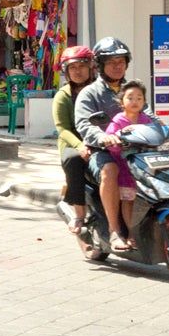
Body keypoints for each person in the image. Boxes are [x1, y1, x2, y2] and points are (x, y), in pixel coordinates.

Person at [74, 36, 134, 251]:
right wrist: (102, 137)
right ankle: (114, 230)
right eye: (111, 62)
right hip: (103, 152)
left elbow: (148, 115)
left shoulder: (132, 90)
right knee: (110, 170)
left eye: (121, 62)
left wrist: (167, 128)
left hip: (133, 150)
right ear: (100, 66)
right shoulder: (89, 93)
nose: (118, 67)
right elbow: (83, 124)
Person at [104, 80, 155, 242]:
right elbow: (110, 137)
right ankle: (131, 233)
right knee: (129, 200)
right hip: (126, 167)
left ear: (144, 102)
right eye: (130, 98)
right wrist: (114, 137)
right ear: (122, 102)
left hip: (145, 166)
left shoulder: (146, 119)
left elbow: (158, 131)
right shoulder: (118, 120)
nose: (135, 102)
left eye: (139, 98)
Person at [53, 45, 96, 233]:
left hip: (100, 139)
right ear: (67, 71)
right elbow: (62, 128)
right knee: (73, 160)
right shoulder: (63, 96)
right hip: (73, 142)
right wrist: (80, 145)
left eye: (82, 66)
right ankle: (79, 214)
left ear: (91, 67)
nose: (78, 71)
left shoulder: (100, 90)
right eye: (73, 68)